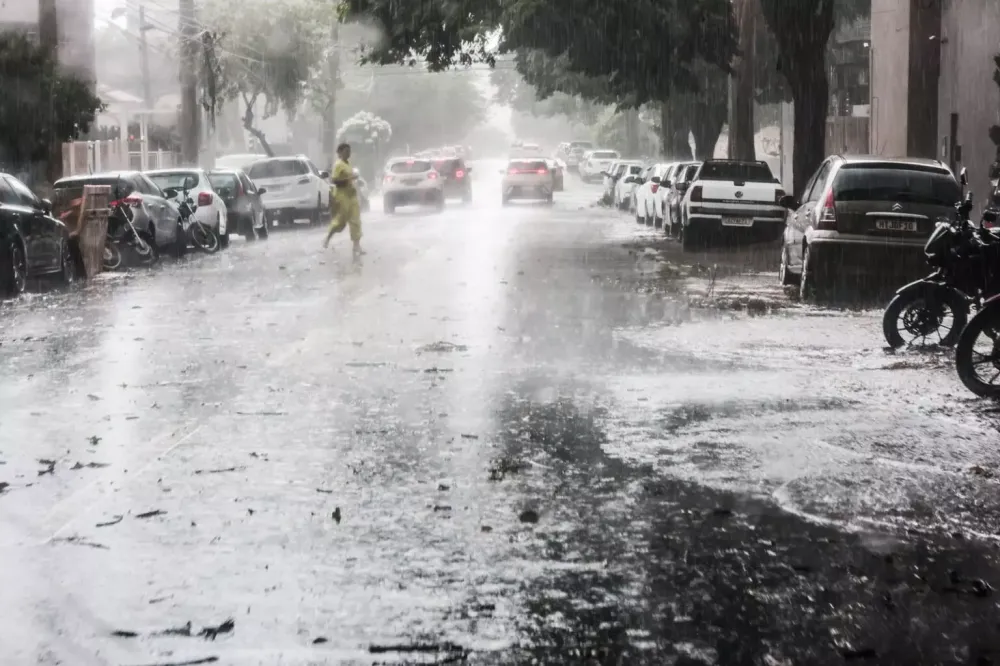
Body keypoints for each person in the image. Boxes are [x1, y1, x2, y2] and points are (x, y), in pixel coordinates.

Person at [323, 142, 363, 256]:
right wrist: (350, 178)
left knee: (355, 221)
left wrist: (353, 179)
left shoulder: (348, 164)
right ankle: (328, 237)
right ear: (339, 153)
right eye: (346, 151)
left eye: (349, 151)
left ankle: (357, 246)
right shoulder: (338, 164)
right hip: (342, 196)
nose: (348, 153)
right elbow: (334, 181)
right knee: (341, 222)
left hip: (352, 195)